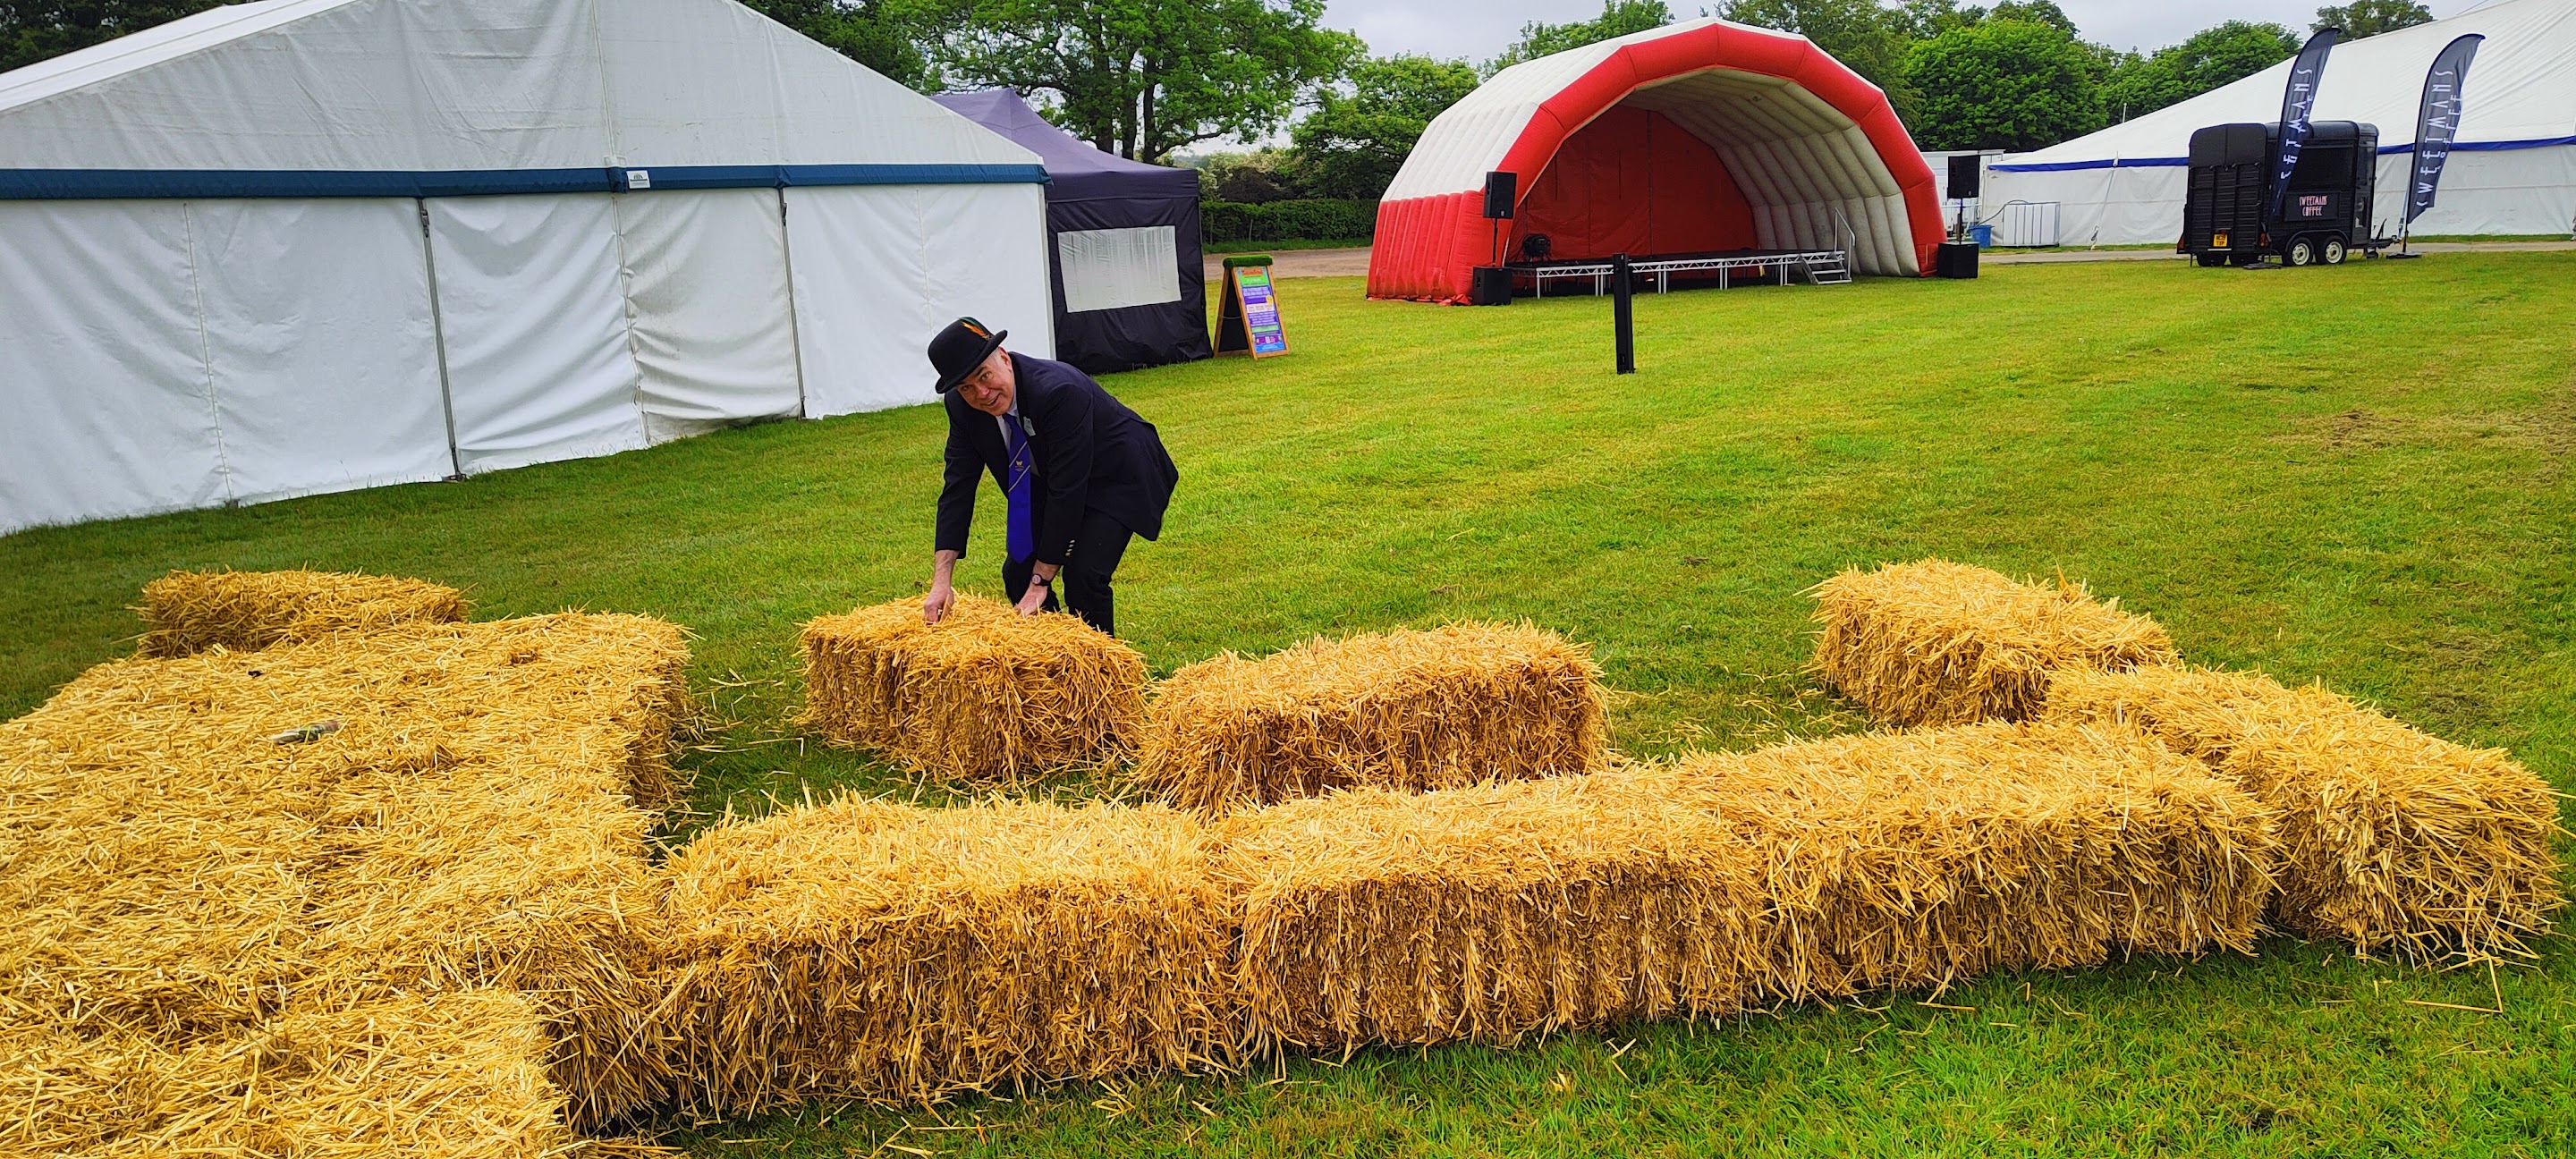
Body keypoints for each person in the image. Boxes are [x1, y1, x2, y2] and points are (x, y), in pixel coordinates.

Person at [921, 317, 1177, 637]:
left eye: (984, 376)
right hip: (1053, 475)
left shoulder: (1058, 391)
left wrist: (1041, 580)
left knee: (1083, 574)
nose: (982, 393)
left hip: (1119, 473)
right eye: (967, 387)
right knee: (1017, 573)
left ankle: (1101, 676)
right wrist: (941, 582)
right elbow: (957, 488)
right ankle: (1054, 665)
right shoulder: (962, 407)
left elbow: (1067, 493)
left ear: (1003, 357)